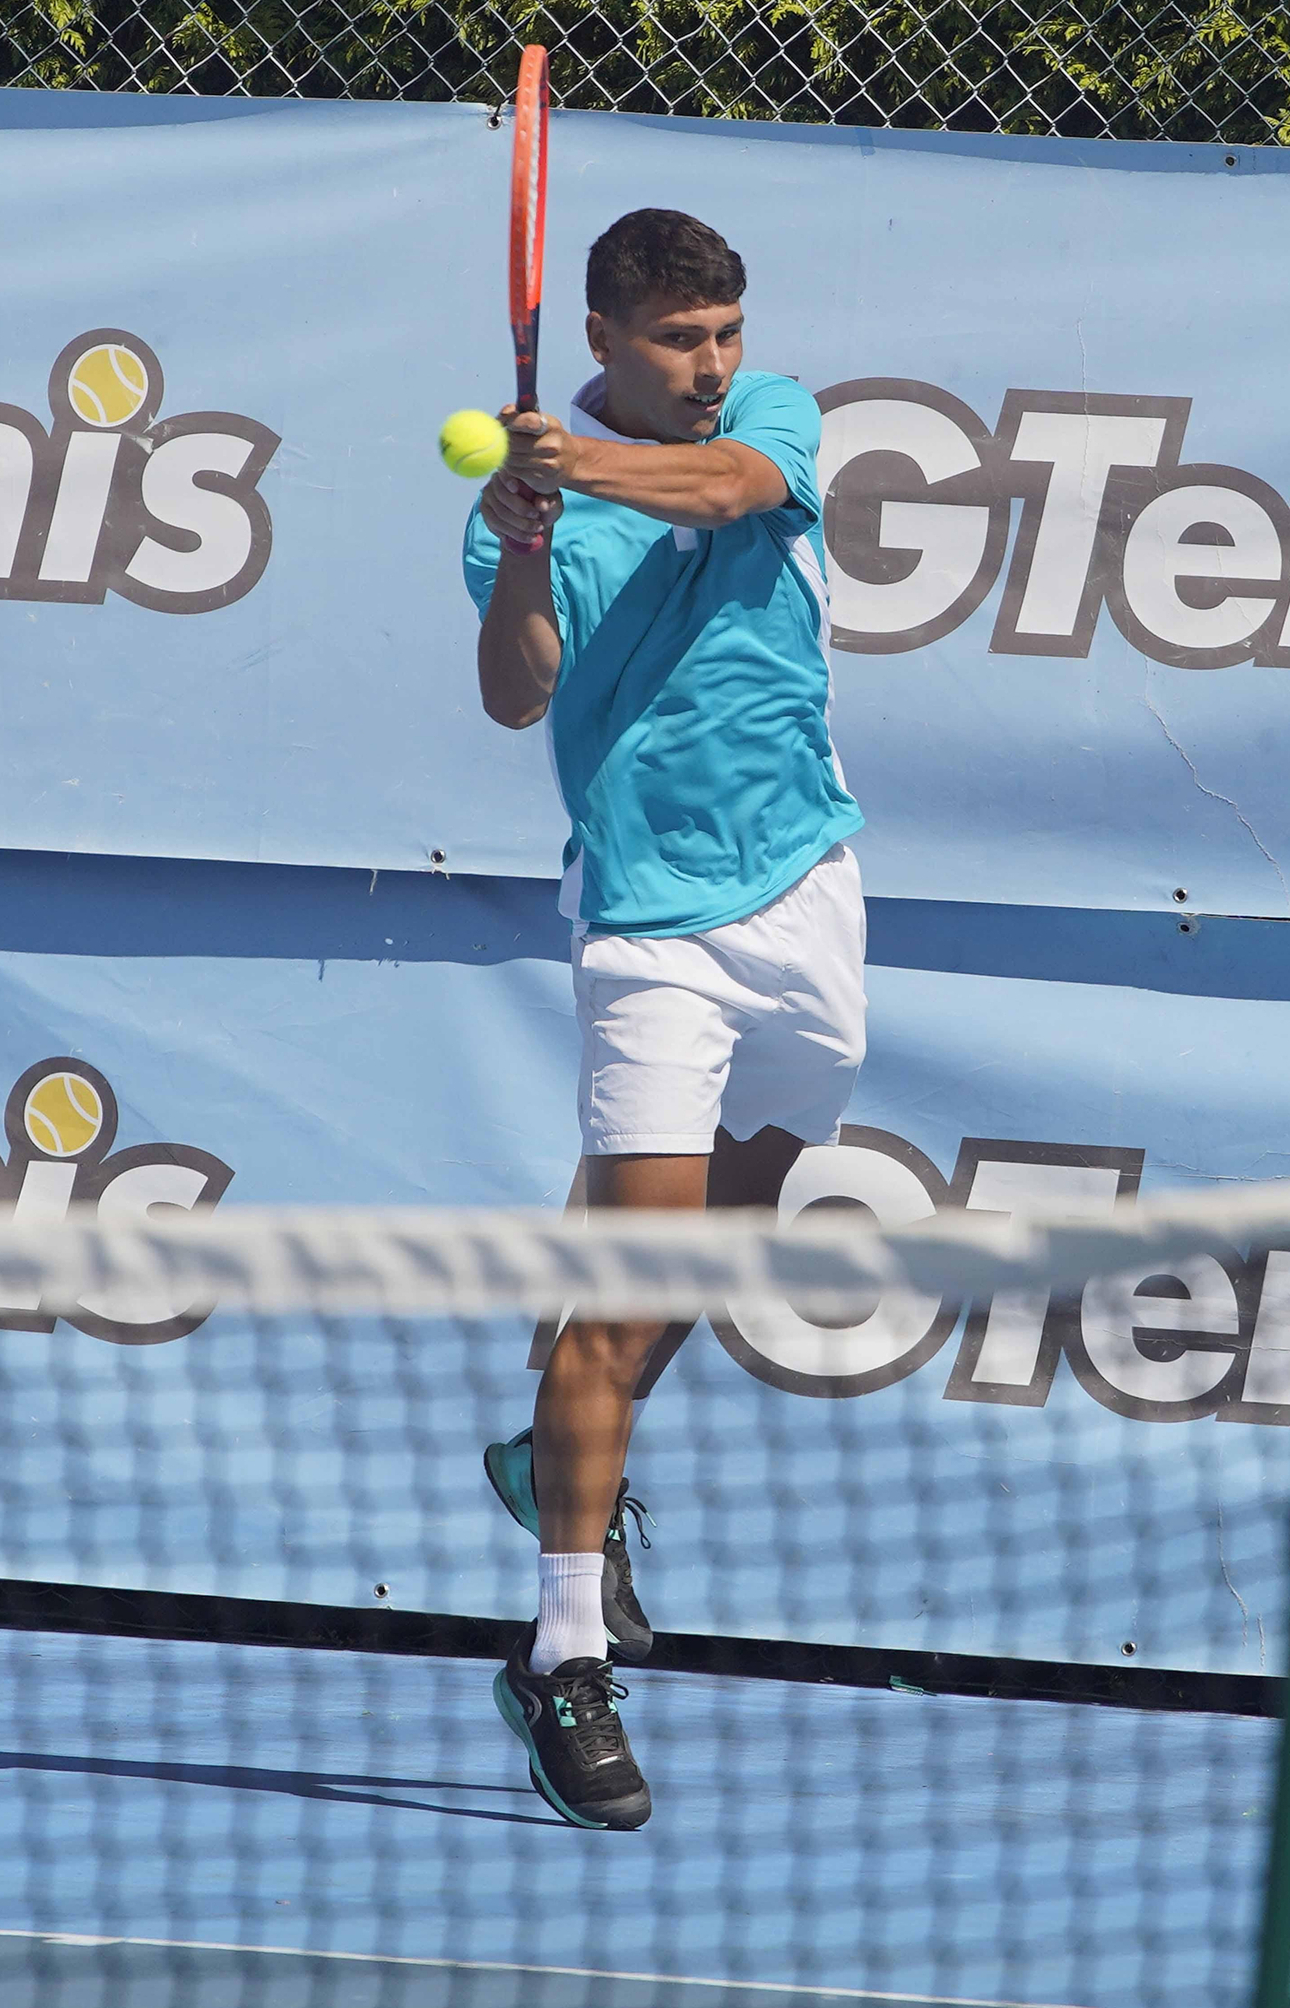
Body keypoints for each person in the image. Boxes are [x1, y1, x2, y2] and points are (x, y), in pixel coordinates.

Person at [462, 208, 866, 1832]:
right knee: (626, 1301)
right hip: (652, 934)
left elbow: (723, 492)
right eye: (680, 341)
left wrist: (579, 469)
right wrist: (536, 536)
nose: (712, 365)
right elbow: (515, 690)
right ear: (606, 347)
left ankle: (557, 1441)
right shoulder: (525, 513)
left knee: (721, 1249)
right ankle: (561, 1651)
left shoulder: (771, 418)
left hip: (811, 889)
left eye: (724, 332)